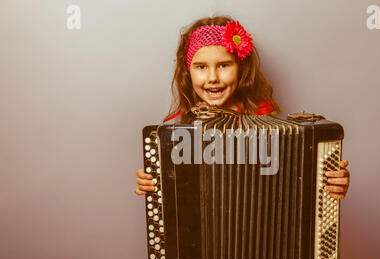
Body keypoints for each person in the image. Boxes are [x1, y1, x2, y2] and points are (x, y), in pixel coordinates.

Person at [135, 15, 350, 199]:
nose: (212, 78)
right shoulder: (176, 129)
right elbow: (170, 193)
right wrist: (153, 182)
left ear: (241, 69)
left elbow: (295, 178)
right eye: (201, 67)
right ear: (188, 72)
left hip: (262, 239)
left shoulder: (265, 118)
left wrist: (327, 181)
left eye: (224, 65)